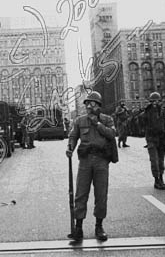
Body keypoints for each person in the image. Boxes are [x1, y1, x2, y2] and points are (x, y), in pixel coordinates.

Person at [66, 91, 117, 242]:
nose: (89, 106)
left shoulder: (107, 120)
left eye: (92, 103)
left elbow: (112, 134)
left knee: (101, 194)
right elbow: (73, 136)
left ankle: (99, 226)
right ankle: (79, 227)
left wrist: (97, 123)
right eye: (87, 103)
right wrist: (70, 147)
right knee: (81, 193)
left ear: (98, 105)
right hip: (85, 161)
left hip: (101, 161)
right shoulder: (80, 121)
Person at [140, 92, 165, 190]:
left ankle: (161, 178)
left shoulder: (164, 113)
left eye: (157, 101)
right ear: (150, 102)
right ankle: (156, 180)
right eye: (153, 101)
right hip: (152, 139)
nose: (155, 103)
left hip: (162, 140)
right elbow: (140, 122)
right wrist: (144, 112)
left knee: (161, 161)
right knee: (154, 161)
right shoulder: (147, 113)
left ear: (160, 101)